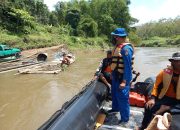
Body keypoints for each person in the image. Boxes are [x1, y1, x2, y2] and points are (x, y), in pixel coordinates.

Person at [138, 52, 180, 130]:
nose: (179, 63)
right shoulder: (164, 73)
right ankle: (143, 126)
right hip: (166, 98)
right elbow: (156, 86)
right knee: (148, 107)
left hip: (178, 101)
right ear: (172, 62)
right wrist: (152, 98)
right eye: (176, 61)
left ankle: (167, 108)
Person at [109, 28, 134, 124]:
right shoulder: (118, 47)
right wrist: (112, 73)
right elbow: (115, 63)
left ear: (118, 37)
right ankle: (115, 109)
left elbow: (127, 67)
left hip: (123, 77)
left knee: (123, 98)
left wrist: (124, 81)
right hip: (116, 75)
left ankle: (125, 119)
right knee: (114, 94)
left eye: (115, 36)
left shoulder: (126, 49)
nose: (114, 38)